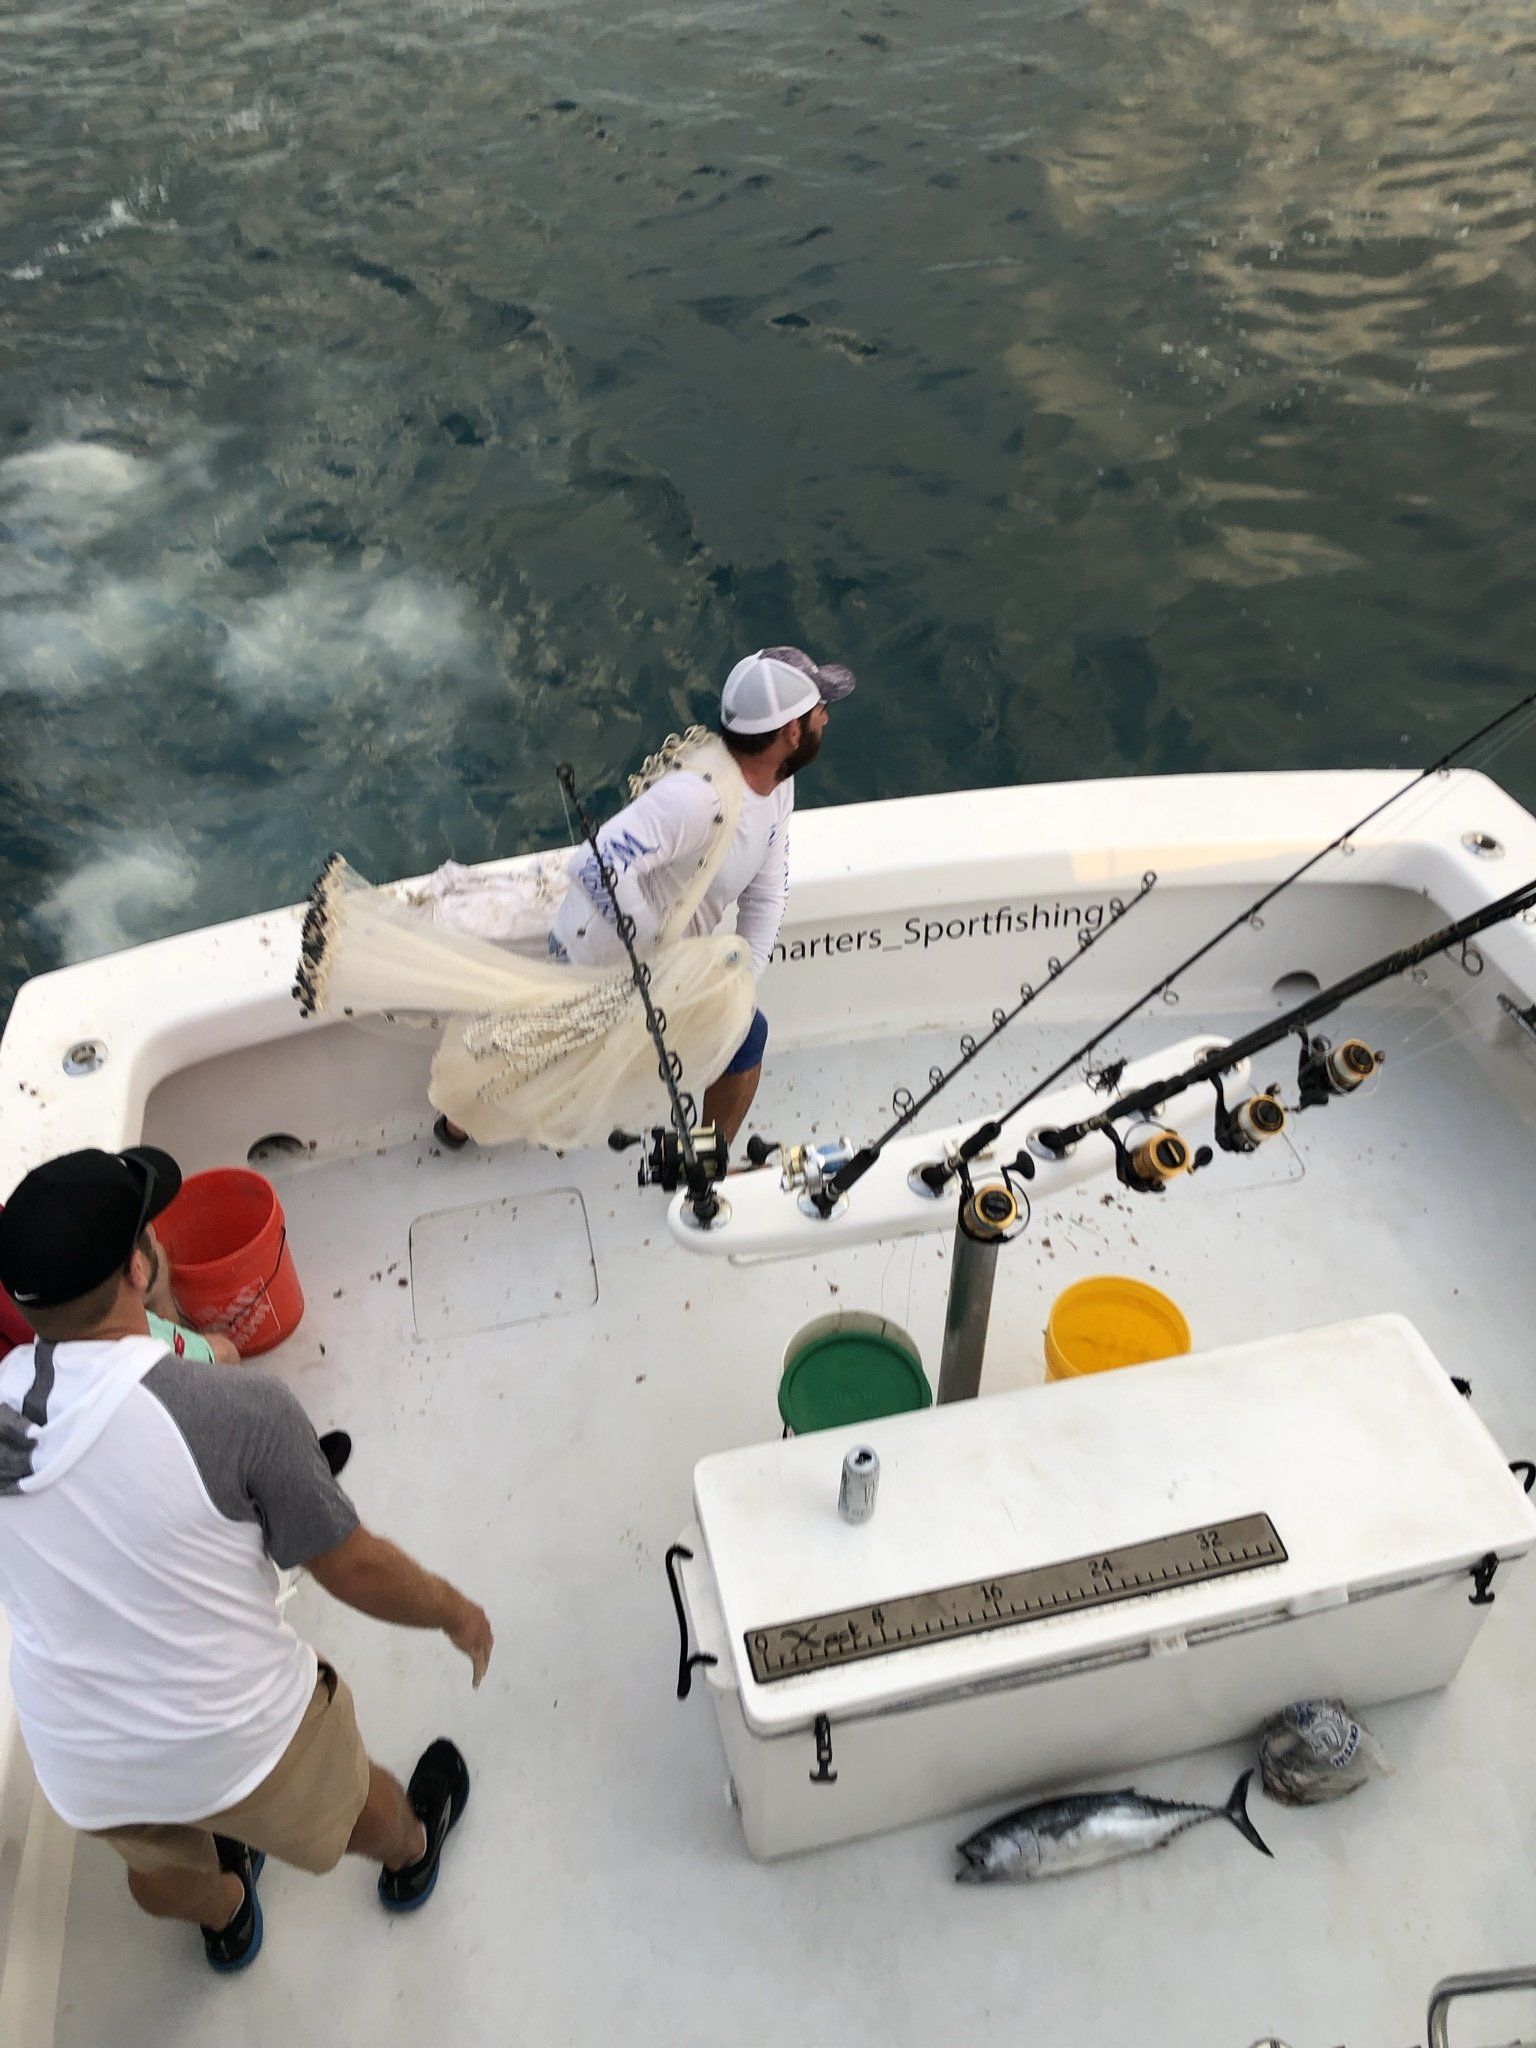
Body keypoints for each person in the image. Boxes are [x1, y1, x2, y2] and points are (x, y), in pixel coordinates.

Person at [0, 1146, 493, 1974]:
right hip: (236, 1734)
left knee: (158, 1872)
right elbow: (355, 1569)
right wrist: (457, 1612)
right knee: (355, 1804)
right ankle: (411, 1852)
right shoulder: (239, 1411)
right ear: (137, 1264)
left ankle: (227, 1912)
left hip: (82, 1763)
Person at [435, 645, 854, 1150]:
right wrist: (649, 937)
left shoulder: (777, 787)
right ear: (791, 732)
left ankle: (705, 1155)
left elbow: (766, 891)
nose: (826, 718)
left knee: (746, 1033)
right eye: (819, 710)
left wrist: (739, 987)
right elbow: (595, 862)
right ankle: (458, 1120)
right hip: (602, 960)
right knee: (548, 1052)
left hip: (665, 968)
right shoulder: (697, 798)